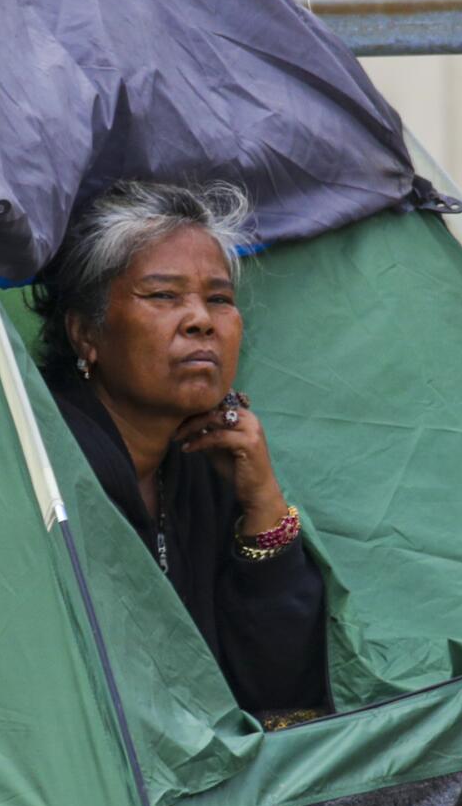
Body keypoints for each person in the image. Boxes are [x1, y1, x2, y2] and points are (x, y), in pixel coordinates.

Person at [28, 180, 330, 720]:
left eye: (219, 299)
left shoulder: (202, 464)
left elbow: (281, 694)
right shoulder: (51, 464)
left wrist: (262, 501)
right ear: (84, 334)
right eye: (163, 296)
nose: (200, 320)